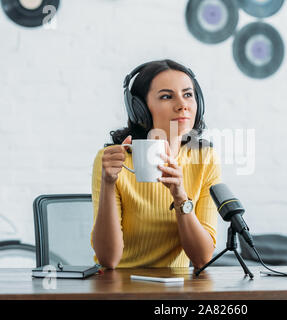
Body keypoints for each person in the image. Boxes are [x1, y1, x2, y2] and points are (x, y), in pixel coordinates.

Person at [90, 59, 222, 269]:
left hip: (176, 291)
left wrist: (180, 197)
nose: (182, 105)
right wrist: (108, 183)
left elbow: (202, 258)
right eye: (167, 96)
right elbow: (109, 260)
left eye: (188, 94)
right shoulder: (113, 160)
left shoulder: (205, 158)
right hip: (121, 289)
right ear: (140, 109)